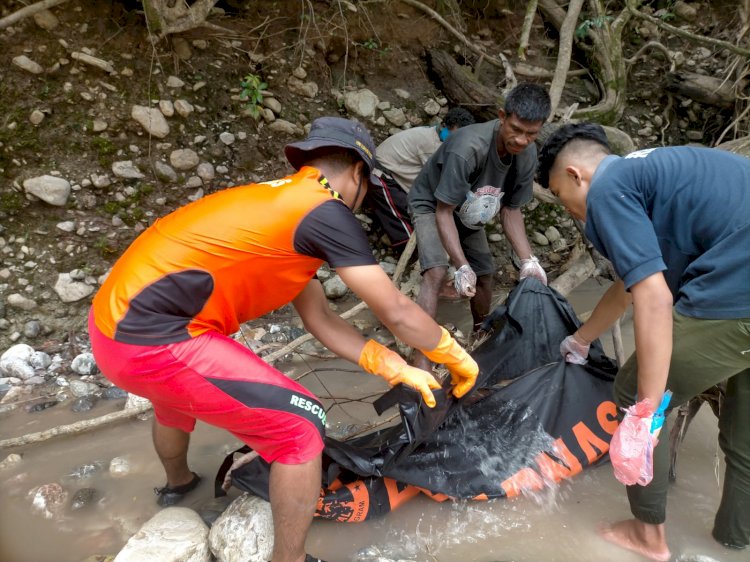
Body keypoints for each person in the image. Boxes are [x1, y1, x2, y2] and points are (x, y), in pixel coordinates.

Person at [88, 117, 478, 562]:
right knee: (302, 425)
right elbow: (397, 312)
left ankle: (178, 487)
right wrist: (453, 354)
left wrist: (391, 364)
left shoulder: (281, 208)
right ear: (358, 171)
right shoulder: (324, 211)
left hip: (110, 332)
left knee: (174, 398)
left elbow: (322, 320)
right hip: (154, 342)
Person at [537, 122, 750, 561]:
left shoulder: (607, 190)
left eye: (561, 196)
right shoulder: (654, 175)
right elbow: (629, 286)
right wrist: (581, 339)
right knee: (744, 436)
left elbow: (654, 298)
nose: (572, 212)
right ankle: (734, 539)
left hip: (739, 296)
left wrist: (645, 410)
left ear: (576, 175)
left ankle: (647, 537)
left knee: (633, 393)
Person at [407, 82, 551, 368]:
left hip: (471, 210)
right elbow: (444, 211)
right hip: (434, 203)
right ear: (502, 116)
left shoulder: (527, 154)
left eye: (531, 134)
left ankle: (480, 340)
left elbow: (511, 210)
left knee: (485, 273)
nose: (522, 140)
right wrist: (460, 265)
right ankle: (419, 358)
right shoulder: (468, 148)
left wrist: (528, 259)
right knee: (436, 271)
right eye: (516, 130)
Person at [366, 107, 476, 249]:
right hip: (380, 174)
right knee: (409, 218)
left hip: (395, 174)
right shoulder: (432, 145)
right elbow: (438, 182)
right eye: (454, 135)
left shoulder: (434, 135)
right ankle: (406, 248)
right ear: (444, 126)